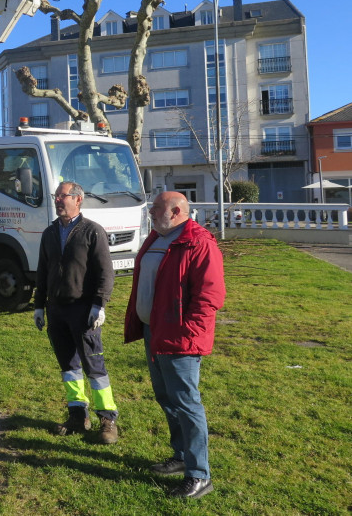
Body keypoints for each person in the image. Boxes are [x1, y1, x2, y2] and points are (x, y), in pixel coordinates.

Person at [124, 191, 226, 500]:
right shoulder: (156, 237)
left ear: (177, 210)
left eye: (156, 208)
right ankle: (181, 455)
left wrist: (189, 334)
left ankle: (199, 475)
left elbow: (210, 296)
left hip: (180, 338)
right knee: (166, 397)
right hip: (154, 332)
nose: (150, 212)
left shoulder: (199, 242)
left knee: (186, 402)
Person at [34, 181, 119, 444]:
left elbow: (106, 272)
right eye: (56, 196)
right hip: (57, 310)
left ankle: (107, 419)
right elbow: (42, 271)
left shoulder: (92, 231)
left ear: (78, 200)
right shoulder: (49, 233)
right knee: (69, 367)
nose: (58, 200)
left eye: (63, 196)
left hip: (84, 312)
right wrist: (39, 305)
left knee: (94, 367)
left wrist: (99, 304)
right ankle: (77, 415)